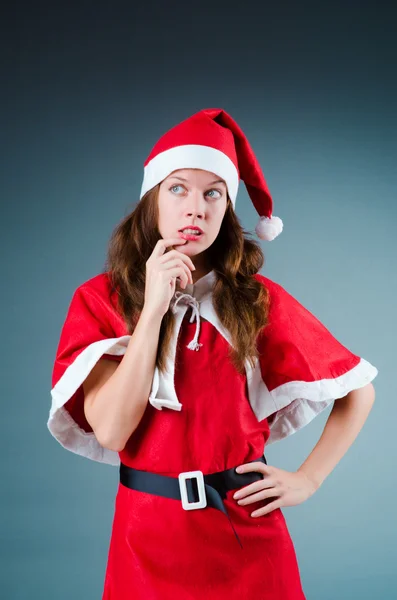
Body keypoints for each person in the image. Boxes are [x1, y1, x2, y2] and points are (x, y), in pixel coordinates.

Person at [47, 108, 378, 599]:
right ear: (152, 199)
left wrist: (307, 479)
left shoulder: (254, 300)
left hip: (248, 540)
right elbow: (114, 430)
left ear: (226, 209)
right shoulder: (99, 300)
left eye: (213, 193)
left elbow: (358, 391)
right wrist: (155, 308)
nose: (195, 208)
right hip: (146, 542)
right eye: (178, 188)